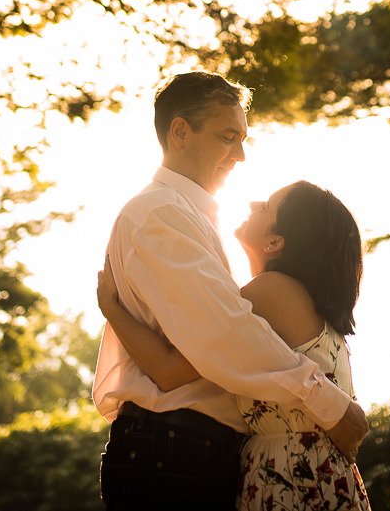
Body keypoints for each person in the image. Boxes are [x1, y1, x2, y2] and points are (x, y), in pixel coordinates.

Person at [92, 72, 368, 510]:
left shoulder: (192, 215)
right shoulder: (161, 213)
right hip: (173, 447)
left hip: (191, 449)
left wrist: (113, 311)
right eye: (227, 137)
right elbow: (227, 331)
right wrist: (329, 403)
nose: (240, 155)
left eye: (243, 139)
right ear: (180, 132)